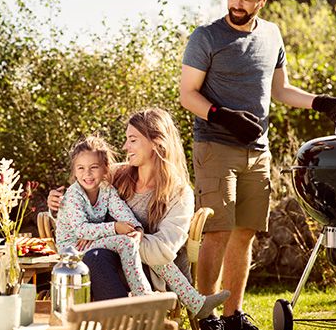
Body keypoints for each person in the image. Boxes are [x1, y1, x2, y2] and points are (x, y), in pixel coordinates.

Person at [179, 0, 336, 330]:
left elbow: (281, 91)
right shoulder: (206, 37)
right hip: (214, 146)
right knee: (216, 232)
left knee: (244, 233)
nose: (236, 4)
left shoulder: (272, 35)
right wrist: (221, 115)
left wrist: (323, 103)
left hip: (257, 150)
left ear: (263, 0)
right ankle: (206, 315)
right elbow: (187, 94)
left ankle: (233, 314)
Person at [56, 135, 230, 318]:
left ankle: (196, 302)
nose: (87, 174)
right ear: (74, 171)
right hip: (73, 249)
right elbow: (81, 229)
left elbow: (123, 212)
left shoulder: (106, 189)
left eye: (93, 168)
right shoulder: (73, 195)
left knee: (134, 243)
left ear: (105, 169)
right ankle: (144, 296)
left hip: (95, 241)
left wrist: (136, 229)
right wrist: (115, 227)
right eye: (81, 168)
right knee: (126, 243)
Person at [48, 108, 207, 306]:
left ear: (156, 142)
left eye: (132, 140)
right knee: (95, 258)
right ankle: (127, 322)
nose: (124, 146)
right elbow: (80, 195)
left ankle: (131, 321)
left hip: (153, 272)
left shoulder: (180, 194)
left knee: (95, 257)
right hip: (110, 264)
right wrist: (57, 203)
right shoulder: (116, 174)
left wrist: (128, 236)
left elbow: (163, 250)